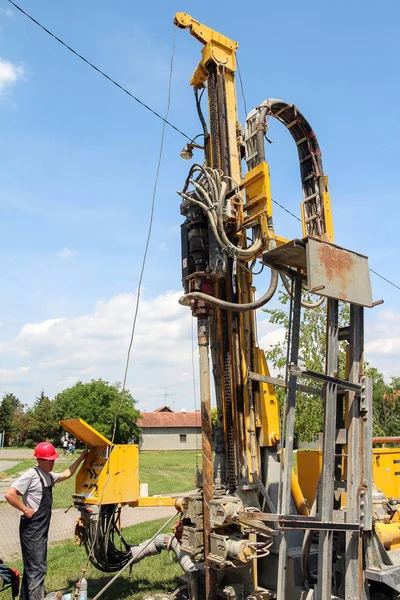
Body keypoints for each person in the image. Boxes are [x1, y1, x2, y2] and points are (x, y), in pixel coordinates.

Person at [4, 442, 87, 600]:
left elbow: (66, 474)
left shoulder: (48, 476)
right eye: (49, 460)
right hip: (32, 529)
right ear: (39, 460)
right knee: (38, 568)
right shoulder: (31, 474)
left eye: (53, 460)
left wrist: (81, 458)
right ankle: (37, 597)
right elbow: (9, 494)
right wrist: (25, 509)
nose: (52, 463)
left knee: (32, 568)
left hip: (41, 529)